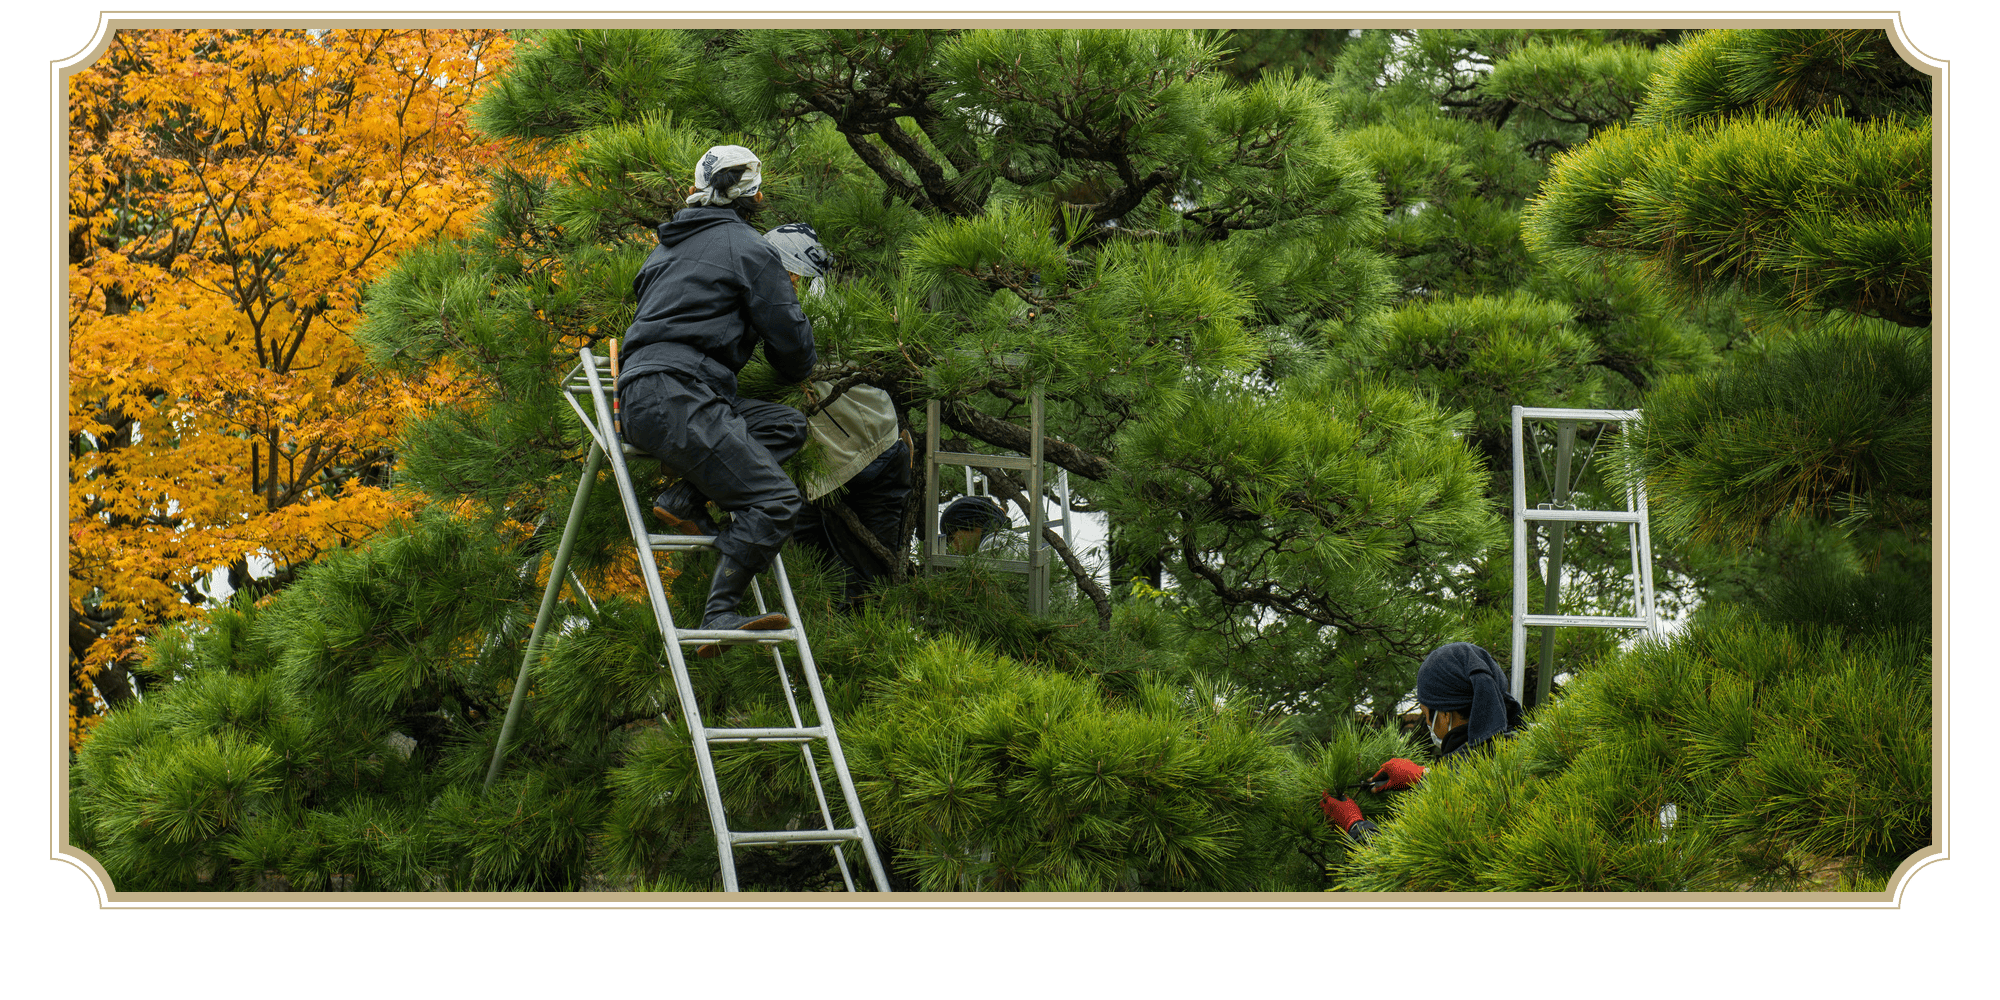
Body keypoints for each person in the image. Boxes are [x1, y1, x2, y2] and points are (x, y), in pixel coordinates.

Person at [615, 144, 817, 657]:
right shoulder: (749, 248)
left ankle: (683, 499)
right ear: (754, 195)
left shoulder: (665, 249)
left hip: (648, 392)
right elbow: (791, 346)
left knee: (784, 426)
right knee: (775, 501)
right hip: (680, 394)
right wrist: (798, 363)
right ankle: (720, 611)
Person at [764, 223, 916, 611]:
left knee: (864, 589)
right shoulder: (809, 305)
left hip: (868, 458)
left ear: (793, 273)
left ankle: (863, 661)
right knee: (814, 583)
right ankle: (826, 660)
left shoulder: (807, 314)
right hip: (828, 465)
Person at [1320, 641, 1524, 843]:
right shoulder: (1519, 748)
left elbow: (1397, 864)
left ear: (1445, 715)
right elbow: (1473, 772)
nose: (1426, 722)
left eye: (1426, 714)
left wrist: (1353, 825)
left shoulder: (1448, 800)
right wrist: (1425, 776)